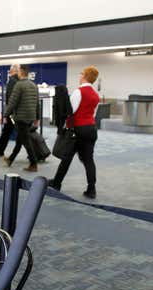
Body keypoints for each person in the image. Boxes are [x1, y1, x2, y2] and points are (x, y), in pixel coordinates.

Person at [48, 66, 100, 198]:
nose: (80, 76)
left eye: (81, 73)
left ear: (84, 76)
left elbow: (70, 112)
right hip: (91, 129)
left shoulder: (79, 92)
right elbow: (93, 113)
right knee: (88, 159)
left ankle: (56, 183)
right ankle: (91, 188)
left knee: (66, 158)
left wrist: (63, 127)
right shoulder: (95, 95)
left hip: (78, 129)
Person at [2, 64, 40, 172]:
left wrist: (5, 115)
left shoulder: (19, 85)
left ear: (21, 72)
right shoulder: (33, 85)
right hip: (30, 117)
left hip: (20, 117)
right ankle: (11, 159)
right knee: (20, 139)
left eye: (18, 71)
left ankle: (33, 163)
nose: (17, 73)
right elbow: (37, 103)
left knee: (26, 141)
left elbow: (12, 102)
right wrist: (37, 117)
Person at [0, 64, 20, 157]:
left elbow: (10, 98)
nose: (9, 71)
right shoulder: (20, 80)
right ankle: (0, 149)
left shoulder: (12, 81)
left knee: (14, 131)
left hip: (12, 113)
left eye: (10, 70)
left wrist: (6, 113)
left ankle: (37, 153)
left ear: (13, 71)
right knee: (8, 130)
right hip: (18, 111)